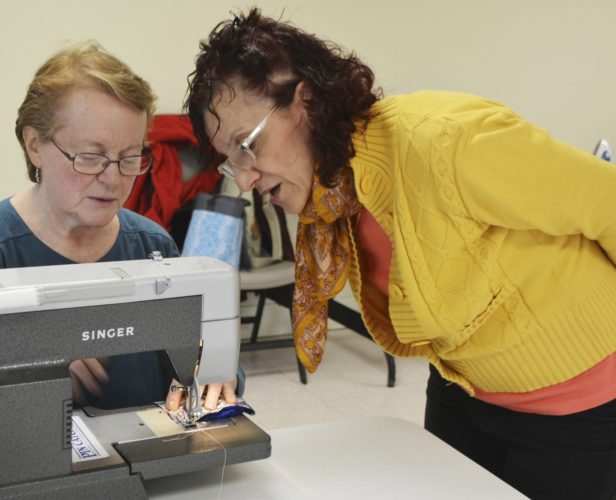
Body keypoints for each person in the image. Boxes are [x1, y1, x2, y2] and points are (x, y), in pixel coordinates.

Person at [184, 8, 616, 500]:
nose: (243, 180)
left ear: (307, 102)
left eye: (246, 145)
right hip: (462, 385)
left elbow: (607, 204)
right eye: (230, 162)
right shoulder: (335, 193)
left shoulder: (447, 140)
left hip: (576, 403)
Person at [7, 41, 236, 412]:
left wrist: (215, 370)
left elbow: (194, 360)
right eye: (91, 156)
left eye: (130, 158)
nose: (113, 180)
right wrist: (35, 373)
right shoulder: (7, 251)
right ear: (35, 145)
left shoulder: (152, 247)